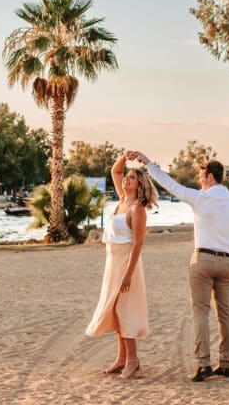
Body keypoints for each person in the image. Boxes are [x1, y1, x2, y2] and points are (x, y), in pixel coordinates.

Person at [127, 150, 229, 382]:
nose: (199, 181)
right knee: (225, 313)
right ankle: (225, 364)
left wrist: (148, 162)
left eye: (202, 177)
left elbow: (170, 185)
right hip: (226, 262)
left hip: (202, 260)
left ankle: (204, 363)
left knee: (201, 311)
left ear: (211, 177)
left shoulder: (200, 198)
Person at [86, 152, 158, 379]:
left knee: (124, 310)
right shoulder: (121, 200)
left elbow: (138, 243)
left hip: (127, 264)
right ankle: (121, 358)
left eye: (132, 178)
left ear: (140, 185)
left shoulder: (137, 209)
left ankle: (133, 360)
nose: (126, 179)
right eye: (127, 177)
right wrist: (123, 156)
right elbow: (114, 171)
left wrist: (128, 275)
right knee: (115, 310)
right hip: (112, 261)